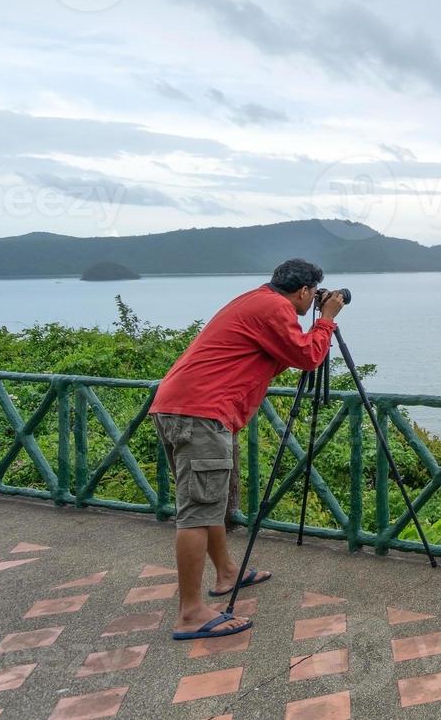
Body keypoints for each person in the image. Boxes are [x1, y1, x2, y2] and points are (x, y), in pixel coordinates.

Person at [148, 258, 345, 640]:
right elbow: (307, 357)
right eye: (312, 294)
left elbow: (284, 352)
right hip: (201, 413)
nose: (313, 300)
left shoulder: (256, 301)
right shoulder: (274, 308)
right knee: (197, 510)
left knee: (212, 503)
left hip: (187, 408)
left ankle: (226, 572)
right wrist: (326, 320)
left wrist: (316, 321)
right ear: (304, 291)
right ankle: (190, 613)